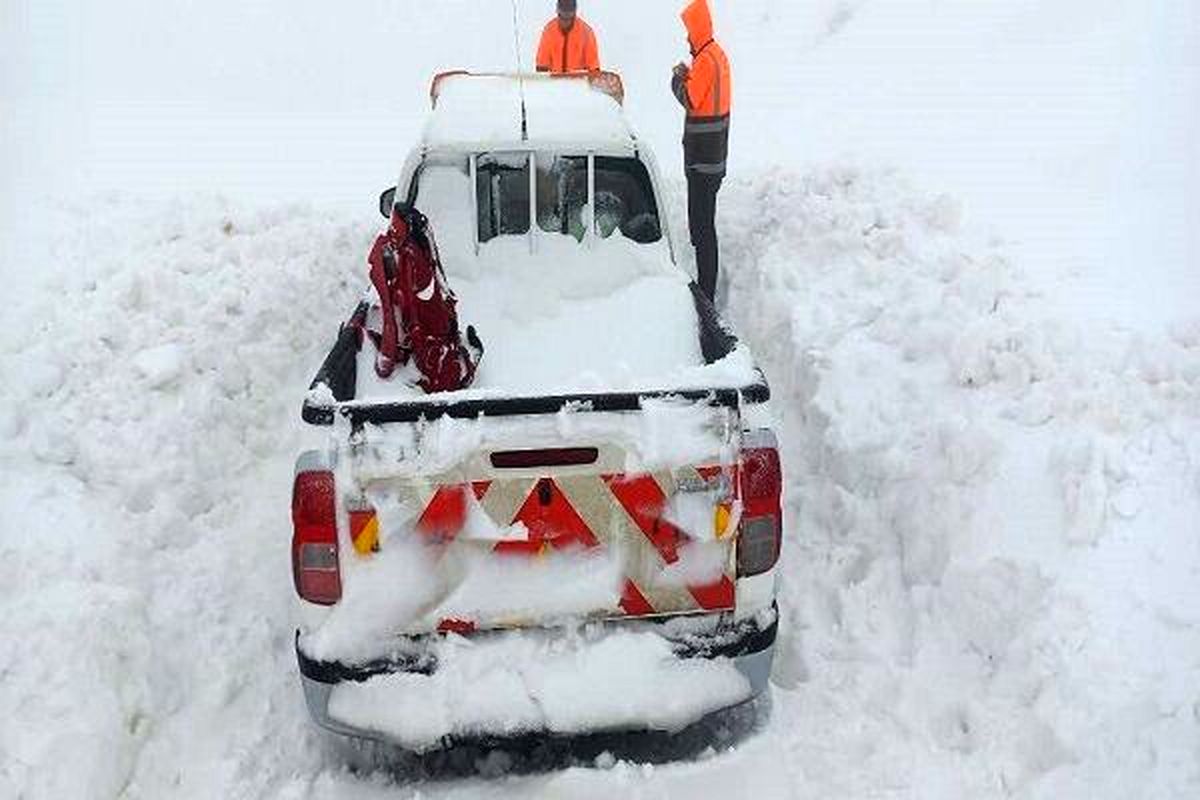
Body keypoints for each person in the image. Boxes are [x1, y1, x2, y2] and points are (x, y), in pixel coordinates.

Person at [671, 0, 731, 303]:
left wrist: (677, 80)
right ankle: (705, 284)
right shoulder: (717, 56)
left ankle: (705, 292)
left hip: (702, 161)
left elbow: (691, 100)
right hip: (713, 158)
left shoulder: (706, 60)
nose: (687, 38)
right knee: (703, 224)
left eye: (688, 32)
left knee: (702, 228)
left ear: (697, 30)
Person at [535, 0, 600, 74]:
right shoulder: (549, 31)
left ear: (574, 13)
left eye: (569, 18)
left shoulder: (586, 32)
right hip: (555, 80)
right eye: (562, 17)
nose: (565, 22)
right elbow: (542, 63)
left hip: (577, 81)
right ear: (558, 12)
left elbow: (593, 66)